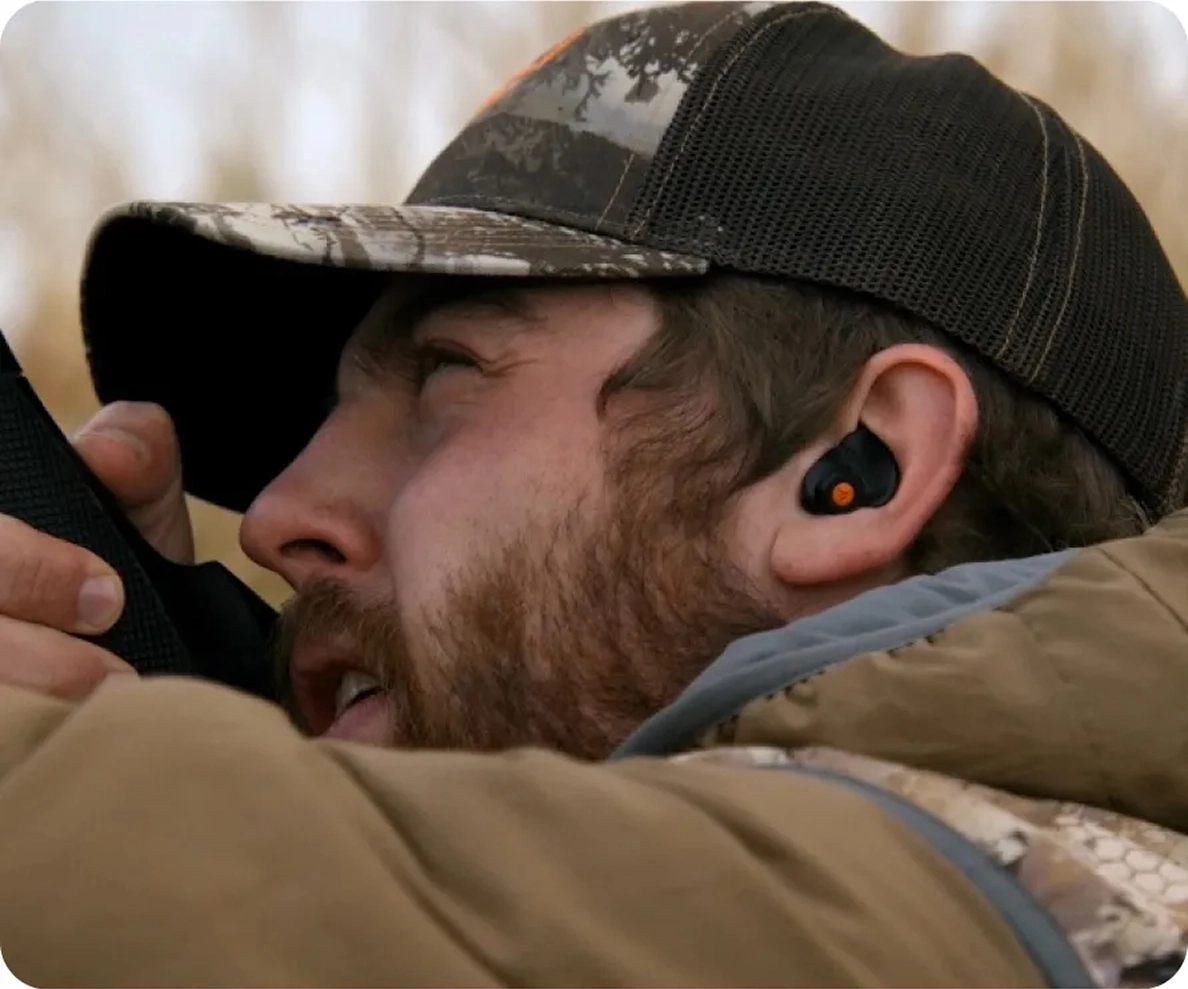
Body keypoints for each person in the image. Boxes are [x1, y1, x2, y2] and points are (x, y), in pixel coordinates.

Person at [0, 2, 1186, 985]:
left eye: (446, 376)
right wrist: (169, 675)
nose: (270, 517)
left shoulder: (992, 912)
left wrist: (125, 760)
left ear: (853, 470)